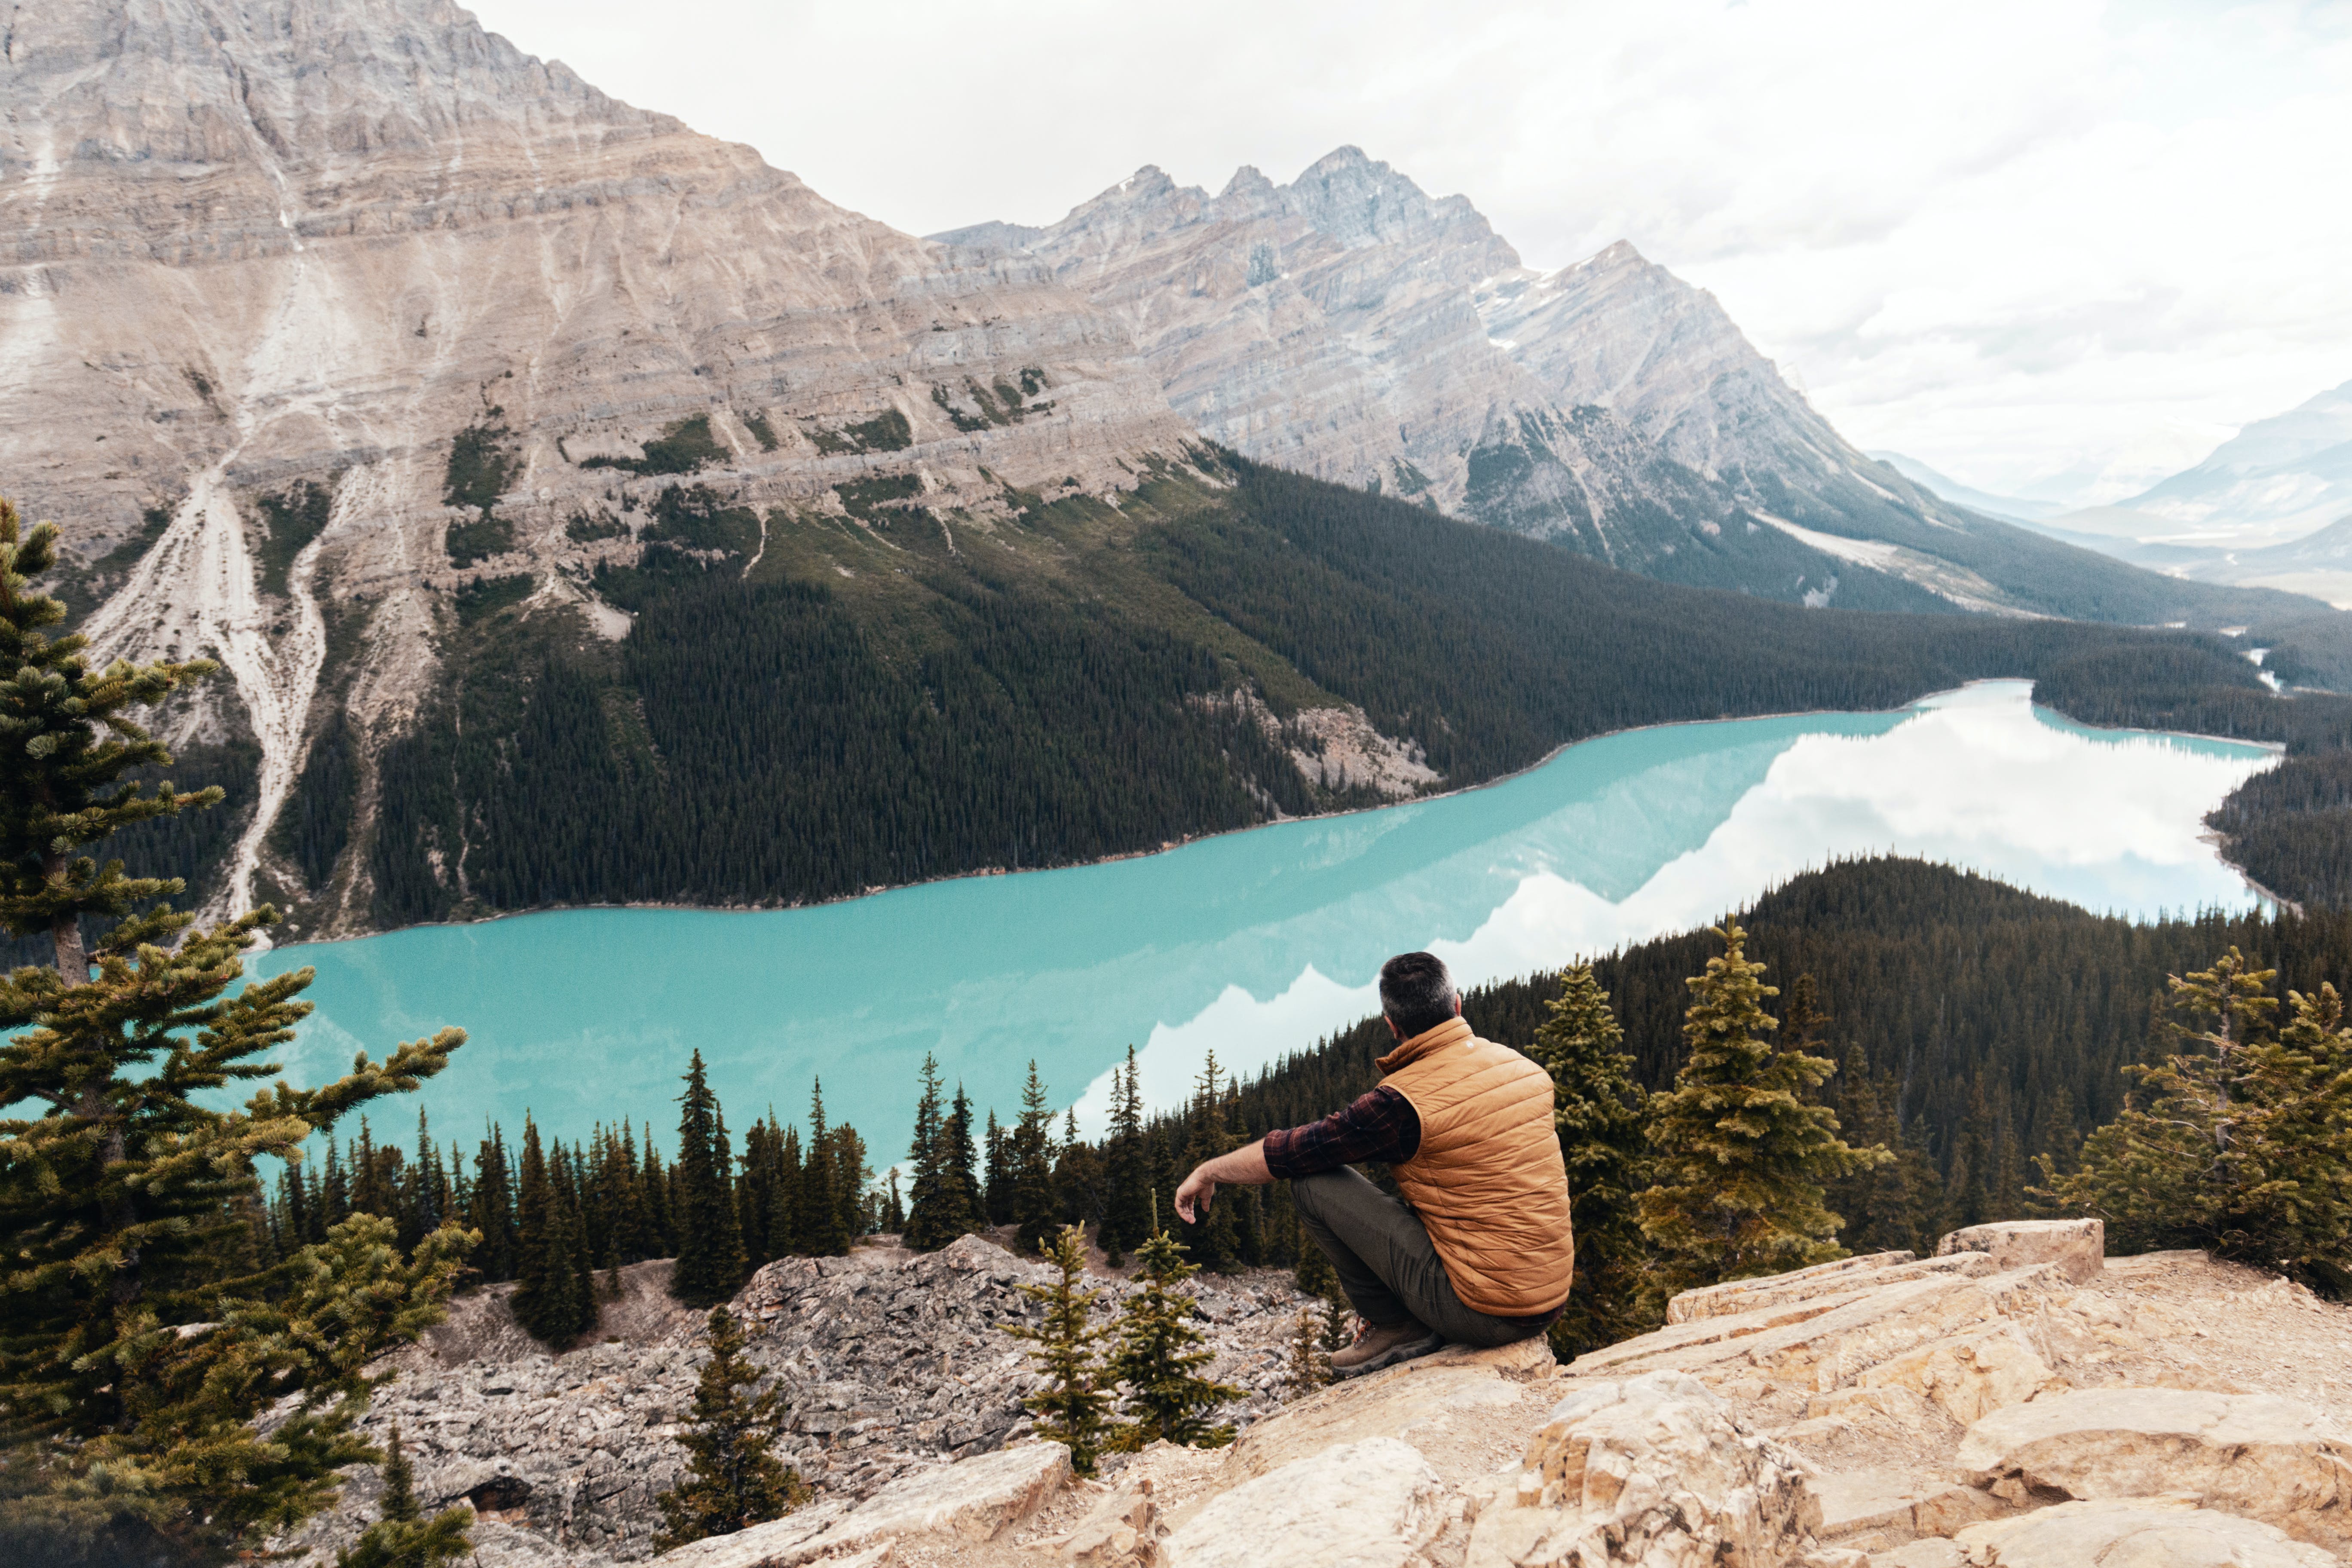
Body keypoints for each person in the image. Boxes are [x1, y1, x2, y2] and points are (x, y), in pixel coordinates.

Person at [1174, 951, 1574, 1376]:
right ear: (1457, 1005)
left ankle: (1395, 1325)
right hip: (1549, 1296)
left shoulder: (1401, 1104)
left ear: (1392, 1025)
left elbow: (1289, 1153)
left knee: (1312, 1184)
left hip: (1487, 1313)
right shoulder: (1525, 1070)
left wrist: (1208, 1171)